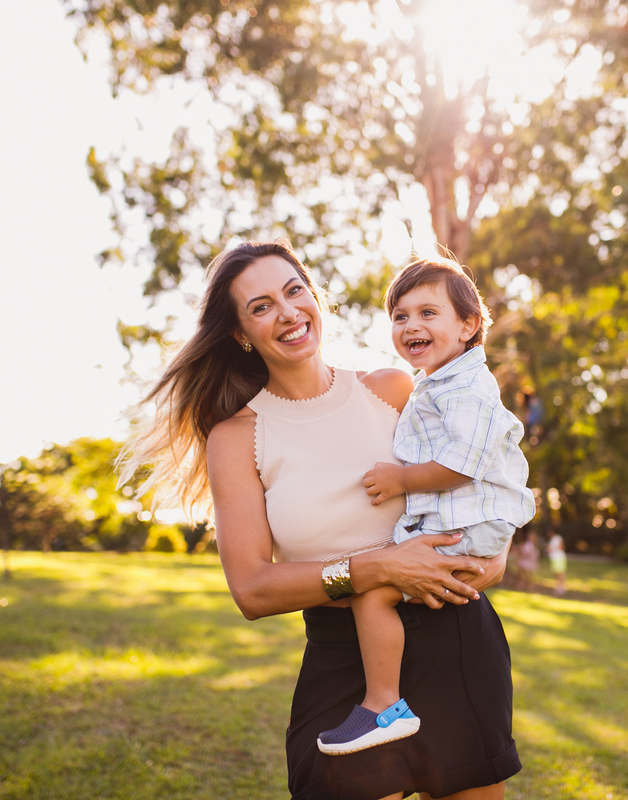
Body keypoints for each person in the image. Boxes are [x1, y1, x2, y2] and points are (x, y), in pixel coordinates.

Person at [118, 240, 521, 800]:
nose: (286, 312)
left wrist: (491, 557)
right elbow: (253, 590)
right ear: (240, 333)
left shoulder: (396, 390)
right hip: (341, 653)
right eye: (260, 307)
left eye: (293, 291)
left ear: (313, 297)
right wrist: (377, 569)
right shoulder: (237, 437)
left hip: (450, 631)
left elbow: (477, 473)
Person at [319, 257, 535, 756]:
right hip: (458, 523)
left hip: (467, 528)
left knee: (372, 594)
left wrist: (400, 481)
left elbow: (461, 464)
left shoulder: (467, 388)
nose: (411, 324)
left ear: (468, 324)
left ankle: (383, 707)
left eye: (428, 313)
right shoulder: (440, 384)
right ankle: (387, 701)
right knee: (382, 585)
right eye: (400, 315)